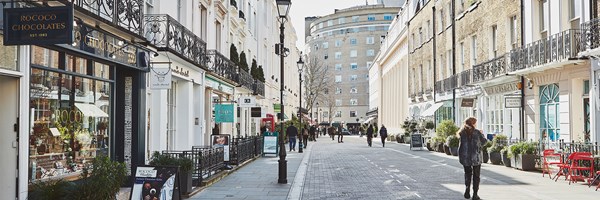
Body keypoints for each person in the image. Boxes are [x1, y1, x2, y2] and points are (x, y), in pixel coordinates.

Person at [457, 117, 487, 200]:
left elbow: (460, 145)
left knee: (467, 174)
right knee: (476, 176)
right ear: (473, 123)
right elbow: (484, 142)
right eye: (475, 123)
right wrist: (482, 134)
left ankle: (467, 190)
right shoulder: (477, 132)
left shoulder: (461, 133)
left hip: (465, 157)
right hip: (476, 157)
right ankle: (475, 194)